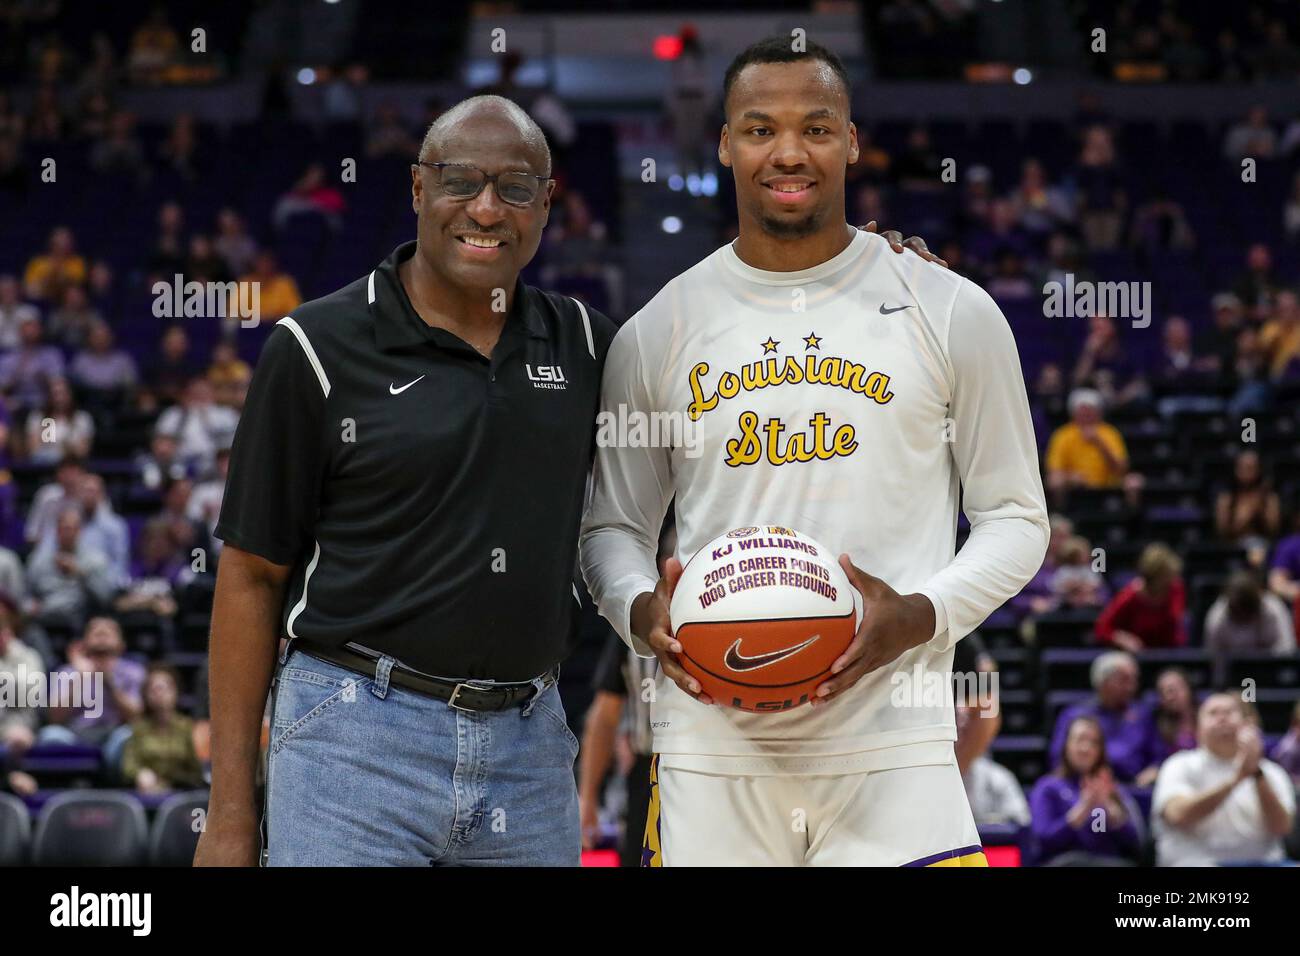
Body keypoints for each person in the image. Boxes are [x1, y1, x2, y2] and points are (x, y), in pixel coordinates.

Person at [580, 38, 1048, 867]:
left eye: (817, 128)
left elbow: (1016, 517)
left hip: (897, 751)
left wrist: (922, 614)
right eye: (760, 129)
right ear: (724, 144)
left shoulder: (949, 309)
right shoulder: (657, 330)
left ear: (854, 142)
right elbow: (610, 530)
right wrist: (642, 612)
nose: (789, 152)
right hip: (710, 758)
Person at [194, 95, 618, 868]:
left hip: (529, 754)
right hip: (351, 742)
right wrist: (228, 815)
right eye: (461, 182)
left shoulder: (589, 343)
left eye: (515, 187)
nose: (486, 209)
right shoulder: (316, 347)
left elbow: (717, 368)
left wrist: (879, 270)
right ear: (418, 190)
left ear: (547, 204)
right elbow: (252, 577)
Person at [1152, 692, 1295, 866]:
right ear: (1197, 728)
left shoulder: (1271, 772)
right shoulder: (1179, 765)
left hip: (1265, 863)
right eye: (1213, 713)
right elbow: (1179, 815)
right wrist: (1236, 780)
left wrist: (1256, 774)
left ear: (1247, 724)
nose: (1222, 719)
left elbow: (1282, 827)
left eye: (1229, 713)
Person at [579, 631, 658, 867]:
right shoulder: (634, 617)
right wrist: (588, 797)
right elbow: (605, 714)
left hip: (711, 768)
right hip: (648, 773)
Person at [1029, 716, 1144, 865]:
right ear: (1066, 745)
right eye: (1080, 740)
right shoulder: (1048, 787)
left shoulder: (1110, 789)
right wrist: (1083, 809)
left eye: (1093, 742)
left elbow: (1134, 844)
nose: (1086, 748)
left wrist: (1109, 806)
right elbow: (1043, 841)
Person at [1049, 651, 1157, 783]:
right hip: (1084, 785)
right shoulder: (1075, 715)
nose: (1131, 687)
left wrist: (1152, 772)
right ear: (1103, 682)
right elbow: (1057, 760)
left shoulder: (1142, 715)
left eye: (1134, 679)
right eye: (1124, 680)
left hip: (1133, 787)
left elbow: (1157, 757)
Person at [120, 663, 204, 792]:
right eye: (154, 689)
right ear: (145, 695)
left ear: (176, 692)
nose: (160, 693)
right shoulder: (138, 728)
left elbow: (197, 771)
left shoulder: (188, 727)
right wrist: (140, 774)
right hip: (147, 793)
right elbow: (129, 766)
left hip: (180, 793)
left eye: (166, 687)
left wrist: (171, 783)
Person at [1095, 542, 1186, 650]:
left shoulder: (1176, 588)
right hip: (1136, 655)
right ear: (1152, 576)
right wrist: (1122, 639)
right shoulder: (1130, 596)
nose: (1171, 581)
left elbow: (1175, 624)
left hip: (1169, 652)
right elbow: (1102, 628)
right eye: (1166, 576)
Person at [1044, 388, 1129, 499]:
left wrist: (1100, 443)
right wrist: (1070, 477)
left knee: (1133, 482)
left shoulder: (1110, 433)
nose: (1086, 414)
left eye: (1090, 410)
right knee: (1054, 481)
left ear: (1099, 412)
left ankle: (1131, 514)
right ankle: (1059, 512)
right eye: (1082, 410)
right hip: (1074, 487)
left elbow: (1122, 469)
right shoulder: (1063, 434)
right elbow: (1054, 470)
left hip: (1107, 484)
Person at [1203, 570, 1296, 655]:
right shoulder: (1217, 618)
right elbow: (1215, 661)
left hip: (1270, 670)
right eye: (1238, 614)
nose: (1243, 615)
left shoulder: (1273, 609)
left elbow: (1287, 650)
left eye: (1247, 611)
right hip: (1234, 672)